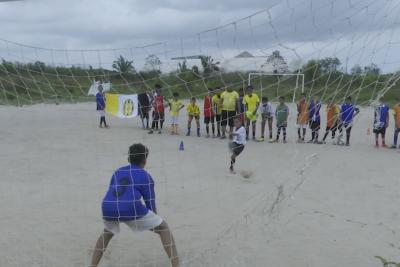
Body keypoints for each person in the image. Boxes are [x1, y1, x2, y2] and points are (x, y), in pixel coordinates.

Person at [90, 144, 180, 267]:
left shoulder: (118, 171)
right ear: (145, 160)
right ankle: (176, 265)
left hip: (107, 206)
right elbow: (151, 205)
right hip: (129, 206)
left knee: (107, 232)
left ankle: (92, 265)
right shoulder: (146, 176)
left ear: (128, 158)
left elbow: (112, 191)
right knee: (164, 228)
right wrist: (154, 222)